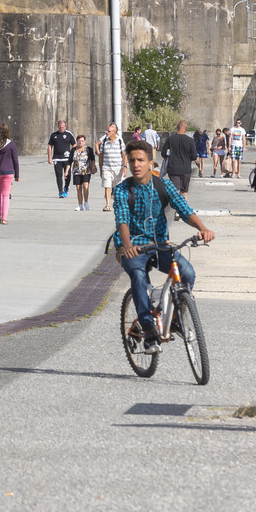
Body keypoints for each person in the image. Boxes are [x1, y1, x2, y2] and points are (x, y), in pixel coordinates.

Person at [112, 141, 215, 353]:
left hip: (160, 245)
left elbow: (184, 209)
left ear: (151, 162)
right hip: (133, 247)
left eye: (140, 160)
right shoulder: (122, 190)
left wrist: (203, 229)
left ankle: (175, 318)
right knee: (139, 277)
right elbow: (122, 219)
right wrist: (128, 245)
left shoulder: (163, 185)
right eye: (132, 161)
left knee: (187, 273)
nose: (136, 165)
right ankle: (149, 330)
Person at [161, 119, 196, 195]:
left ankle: (176, 206)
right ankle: (184, 206)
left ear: (177, 127)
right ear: (186, 128)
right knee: (184, 193)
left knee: (175, 192)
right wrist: (187, 158)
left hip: (173, 169)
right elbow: (194, 156)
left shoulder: (170, 139)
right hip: (186, 169)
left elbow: (163, 153)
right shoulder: (190, 140)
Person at [97, 122, 127, 212]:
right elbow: (101, 156)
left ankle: (119, 204)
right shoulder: (104, 141)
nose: (107, 132)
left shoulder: (120, 141)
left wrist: (125, 167)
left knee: (119, 188)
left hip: (118, 168)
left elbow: (124, 155)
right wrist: (101, 168)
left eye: (109, 131)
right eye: (107, 131)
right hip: (107, 167)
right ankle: (108, 205)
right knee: (107, 186)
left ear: (114, 132)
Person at [47, 119, 77, 198]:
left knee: (68, 175)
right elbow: (50, 146)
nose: (61, 129)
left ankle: (66, 188)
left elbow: (74, 145)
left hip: (67, 159)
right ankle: (60, 191)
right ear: (58, 127)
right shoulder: (54, 135)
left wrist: (72, 154)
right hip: (57, 158)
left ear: (65, 127)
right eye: (60, 127)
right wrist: (49, 158)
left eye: (63, 127)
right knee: (58, 175)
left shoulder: (69, 134)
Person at [71, 134, 95, 210]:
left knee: (85, 186)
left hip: (86, 171)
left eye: (82, 141)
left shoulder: (89, 149)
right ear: (77, 142)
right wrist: (66, 171)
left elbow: (92, 159)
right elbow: (69, 161)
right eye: (79, 141)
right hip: (76, 171)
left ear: (84, 142)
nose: (80, 142)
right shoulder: (73, 150)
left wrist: (93, 167)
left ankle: (86, 202)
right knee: (78, 188)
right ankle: (80, 205)